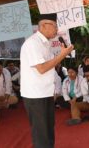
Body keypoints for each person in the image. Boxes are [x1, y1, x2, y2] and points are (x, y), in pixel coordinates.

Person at [20, 13, 74, 148]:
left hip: (45, 93)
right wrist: (61, 56)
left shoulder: (46, 44)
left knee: (48, 129)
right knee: (41, 133)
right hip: (35, 95)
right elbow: (42, 68)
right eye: (55, 26)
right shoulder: (33, 43)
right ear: (43, 25)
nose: (57, 29)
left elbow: (49, 68)